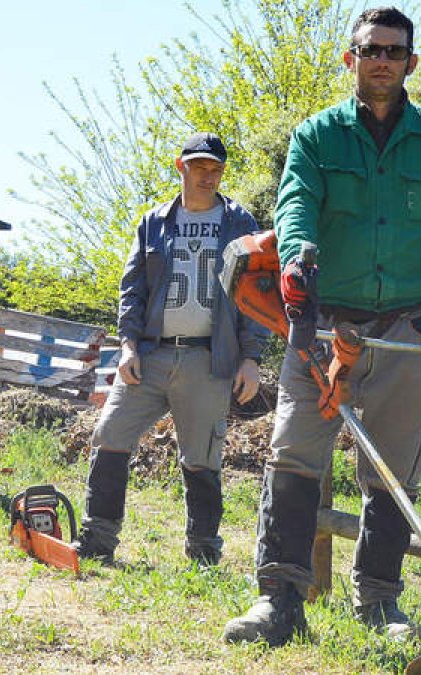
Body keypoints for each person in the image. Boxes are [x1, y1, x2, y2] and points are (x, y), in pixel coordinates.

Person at [223, 7, 421, 645]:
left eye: (393, 50)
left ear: (412, 62)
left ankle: (379, 601)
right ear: (350, 58)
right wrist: (295, 259)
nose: (381, 59)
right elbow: (296, 202)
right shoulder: (317, 137)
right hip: (321, 324)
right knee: (294, 451)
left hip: (409, 326)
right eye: (370, 48)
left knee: (396, 468)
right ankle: (278, 600)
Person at [73, 132, 269, 566]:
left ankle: (203, 555)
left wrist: (251, 357)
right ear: (181, 167)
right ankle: (97, 542)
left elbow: (257, 297)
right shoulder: (154, 223)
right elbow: (132, 291)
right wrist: (127, 345)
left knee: (201, 457)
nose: (207, 175)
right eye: (199, 166)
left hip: (208, 359)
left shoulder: (241, 224)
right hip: (150, 354)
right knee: (109, 435)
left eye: (215, 168)